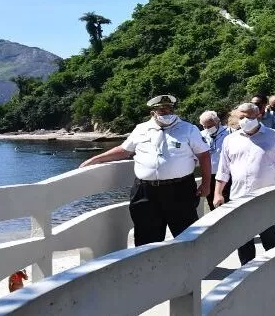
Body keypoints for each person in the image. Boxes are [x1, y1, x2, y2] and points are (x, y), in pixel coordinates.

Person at [79, 94, 211, 246]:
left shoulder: (188, 129)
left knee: (186, 238)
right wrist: (96, 159)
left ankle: (188, 269)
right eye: (161, 110)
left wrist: (206, 184)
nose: (166, 112)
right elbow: (124, 150)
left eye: (169, 109)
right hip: (145, 192)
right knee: (145, 239)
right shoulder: (141, 129)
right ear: (152, 112)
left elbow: (204, 155)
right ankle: (150, 269)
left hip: (180, 190)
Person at [213, 103, 275, 265]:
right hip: (239, 198)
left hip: (267, 198)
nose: (245, 120)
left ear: (258, 116)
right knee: (243, 241)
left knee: (270, 238)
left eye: (249, 117)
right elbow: (223, 171)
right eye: (241, 117)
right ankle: (246, 275)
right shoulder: (230, 140)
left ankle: (274, 270)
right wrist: (218, 193)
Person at [199, 110, 232, 210]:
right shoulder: (201, 135)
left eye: (209, 126)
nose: (207, 129)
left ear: (217, 122)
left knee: (228, 203)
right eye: (204, 126)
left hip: (227, 174)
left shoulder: (229, 133)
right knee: (212, 204)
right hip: (210, 175)